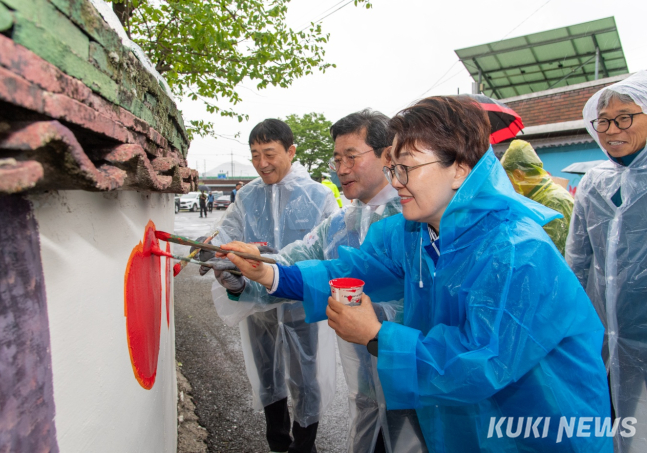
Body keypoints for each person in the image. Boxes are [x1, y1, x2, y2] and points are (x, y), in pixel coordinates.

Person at [224, 96, 611, 452]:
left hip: (541, 426)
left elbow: (479, 360)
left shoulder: (515, 252)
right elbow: (349, 270)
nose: (395, 182)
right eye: (393, 168)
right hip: (468, 420)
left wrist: (377, 336)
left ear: (459, 169)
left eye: (406, 168)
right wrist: (270, 273)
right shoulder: (412, 233)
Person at [210, 109, 426, 453]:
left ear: (387, 154)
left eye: (351, 157)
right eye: (337, 158)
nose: (340, 169)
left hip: (418, 376)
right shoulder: (343, 223)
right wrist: (247, 278)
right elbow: (293, 261)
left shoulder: (417, 218)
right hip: (367, 383)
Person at [195, 119, 339, 453]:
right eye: (255, 154)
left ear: (290, 151)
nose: (262, 163)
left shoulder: (318, 196)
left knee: (306, 374)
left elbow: (328, 248)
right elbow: (227, 231)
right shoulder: (246, 196)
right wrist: (212, 246)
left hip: (300, 303)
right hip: (258, 304)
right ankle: (277, 442)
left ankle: (305, 445)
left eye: (269, 153)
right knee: (268, 374)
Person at [566, 70, 647, 453]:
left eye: (625, 116)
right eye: (603, 120)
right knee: (611, 421)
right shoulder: (594, 183)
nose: (612, 128)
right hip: (601, 336)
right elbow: (577, 260)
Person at [500, 139, 575, 256]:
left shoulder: (555, 201)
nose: (507, 185)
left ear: (518, 175)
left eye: (507, 178)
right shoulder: (536, 198)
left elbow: (551, 252)